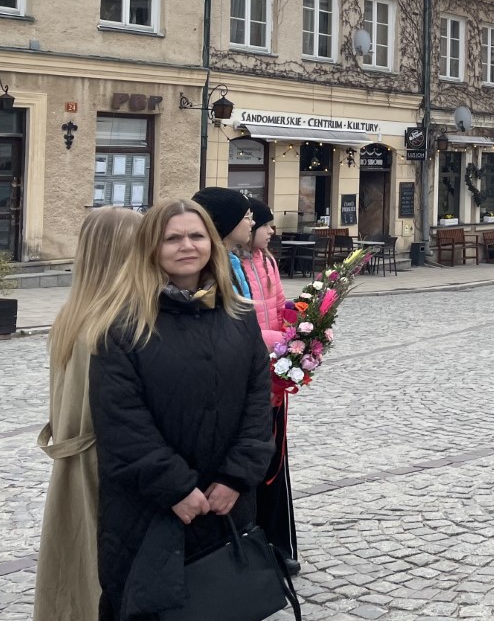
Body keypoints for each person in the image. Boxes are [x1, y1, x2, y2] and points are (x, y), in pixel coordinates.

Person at [88, 199, 273, 620]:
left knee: (226, 606)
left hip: (227, 502)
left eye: (196, 235)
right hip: (150, 509)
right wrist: (175, 488)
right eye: (172, 238)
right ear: (151, 247)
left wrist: (235, 477)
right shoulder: (121, 324)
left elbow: (256, 405)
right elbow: (121, 421)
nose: (186, 245)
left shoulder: (237, 315)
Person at [34, 207, 143, 621]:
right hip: (105, 465)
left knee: (74, 570)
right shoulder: (116, 322)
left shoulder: (73, 313)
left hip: (74, 460)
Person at [239, 197, 299, 574]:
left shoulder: (268, 260)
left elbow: (278, 304)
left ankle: (277, 539)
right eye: (265, 223)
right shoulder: (231, 264)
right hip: (249, 366)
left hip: (271, 368)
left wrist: (299, 324)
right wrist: (283, 338)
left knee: (276, 452)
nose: (271, 230)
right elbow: (240, 319)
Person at [192, 186, 255, 298]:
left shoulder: (232, 260)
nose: (253, 222)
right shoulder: (206, 271)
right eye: (247, 216)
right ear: (227, 222)